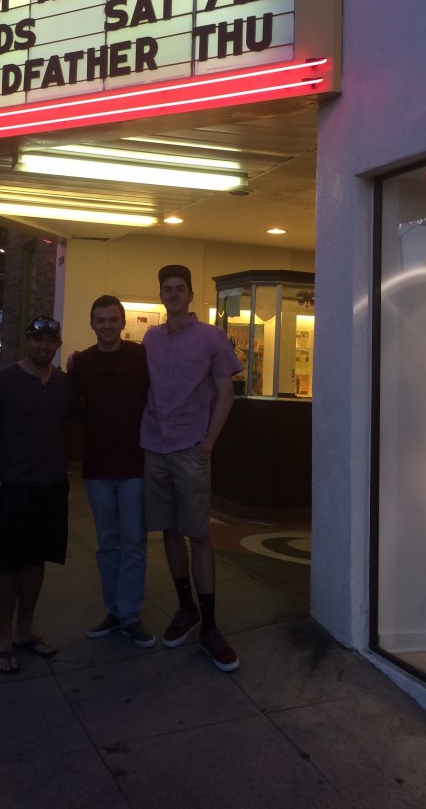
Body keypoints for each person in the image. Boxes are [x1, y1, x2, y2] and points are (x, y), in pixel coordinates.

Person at [141, 264, 242, 672]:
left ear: (189, 292)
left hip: (189, 448)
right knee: (168, 530)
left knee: (199, 534)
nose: (173, 294)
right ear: (161, 294)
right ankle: (186, 609)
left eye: (180, 288)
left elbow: (226, 394)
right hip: (153, 445)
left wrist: (207, 443)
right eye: (167, 289)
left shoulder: (211, 338)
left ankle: (211, 626)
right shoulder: (149, 338)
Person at [0, 316, 77, 674]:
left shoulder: (64, 384)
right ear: (26, 340)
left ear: (58, 344)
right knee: (10, 565)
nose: (43, 346)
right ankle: (4, 637)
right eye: (37, 339)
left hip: (52, 486)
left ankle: (25, 630)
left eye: (50, 340)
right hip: (14, 485)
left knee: (37, 561)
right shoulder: (4, 380)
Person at [69, 295, 154, 648]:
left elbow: (156, 400)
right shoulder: (81, 364)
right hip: (98, 467)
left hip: (134, 465)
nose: (106, 325)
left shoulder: (140, 357)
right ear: (92, 324)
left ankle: (130, 615)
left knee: (133, 544)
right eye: (100, 320)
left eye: (112, 319)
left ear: (122, 323)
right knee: (108, 544)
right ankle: (115, 612)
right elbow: (71, 410)